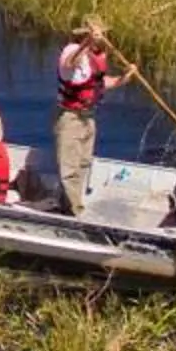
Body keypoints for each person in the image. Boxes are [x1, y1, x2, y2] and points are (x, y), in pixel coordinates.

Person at [52, 21, 130, 217]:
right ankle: (74, 212)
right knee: (69, 168)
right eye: (97, 35)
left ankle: (69, 204)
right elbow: (70, 63)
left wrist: (126, 77)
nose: (102, 38)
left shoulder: (95, 57)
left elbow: (101, 83)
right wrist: (87, 43)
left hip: (89, 117)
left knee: (84, 163)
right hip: (70, 117)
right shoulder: (72, 52)